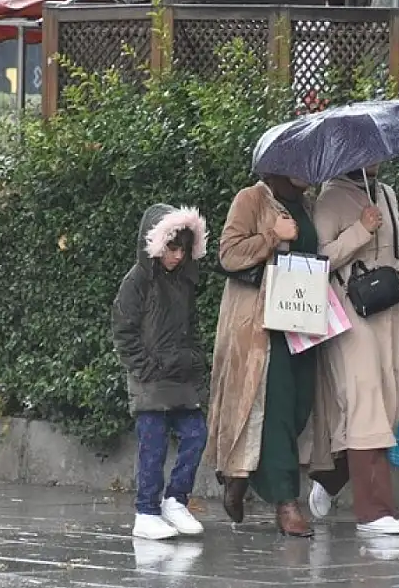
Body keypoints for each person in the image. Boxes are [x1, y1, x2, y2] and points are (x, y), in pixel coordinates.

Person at [205, 174, 321, 538]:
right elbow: (229, 253)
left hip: (303, 319)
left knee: (300, 406)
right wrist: (273, 236)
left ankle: (241, 475)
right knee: (277, 410)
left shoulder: (310, 204)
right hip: (261, 326)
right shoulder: (251, 198)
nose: (306, 173)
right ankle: (286, 503)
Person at [307, 165, 399, 536]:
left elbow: (397, 260)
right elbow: (317, 260)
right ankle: (374, 512)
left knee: (388, 406)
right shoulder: (330, 198)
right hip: (350, 314)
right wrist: (360, 230)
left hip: (389, 312)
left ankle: (330, 478)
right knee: (365, 402)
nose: (377, 160)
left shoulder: (386, 192)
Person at [111, 204, 210, 541]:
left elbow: (191, 327)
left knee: (196, 436)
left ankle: (176, 500)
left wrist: (196, 362)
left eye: (183, 249)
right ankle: (146, 511)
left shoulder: (184, 282)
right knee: (152, 448)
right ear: (154, 243)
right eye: (172, 248)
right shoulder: (137, 281)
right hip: (151, 382)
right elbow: (124, 331)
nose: (177, 256)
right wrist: (145, 369)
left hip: (181, 378)